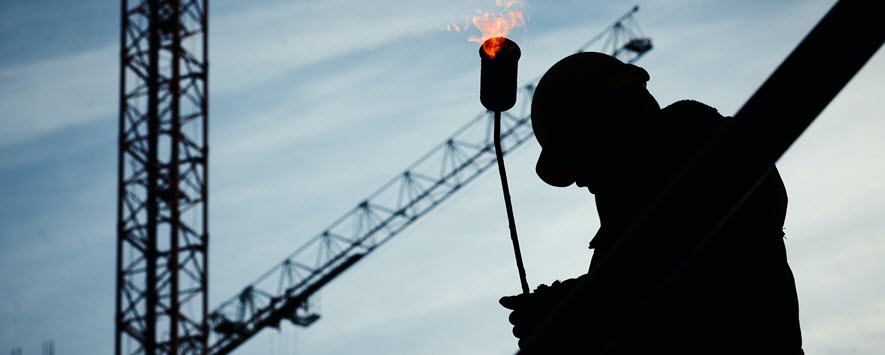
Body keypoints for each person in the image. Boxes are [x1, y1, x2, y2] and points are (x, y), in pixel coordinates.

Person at [499, 52, 803, 354]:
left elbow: (670, 284)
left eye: (576, 155)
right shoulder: (635, 223)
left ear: (604, 125)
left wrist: (569, 311)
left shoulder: (703, 160)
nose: (579, 179)